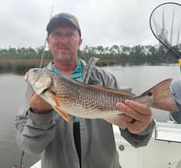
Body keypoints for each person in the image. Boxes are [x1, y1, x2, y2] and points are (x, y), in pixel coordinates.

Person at [15, 12, 155, 168]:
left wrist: (141, 127)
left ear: (79, 41)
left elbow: (137, 139)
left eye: (70, 34)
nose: (63, 40)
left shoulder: (104, 79)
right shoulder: (34, 90)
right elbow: (30, 147)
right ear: (48, 41)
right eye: (57, 34)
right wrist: (39, 114)